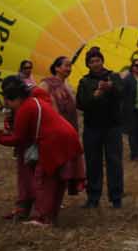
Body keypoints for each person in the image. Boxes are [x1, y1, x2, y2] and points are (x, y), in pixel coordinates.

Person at [0, 75, 83, 226]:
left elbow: (17, 139)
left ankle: (42, 218)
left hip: (53, 142)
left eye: (8, 102)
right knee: (56, 181)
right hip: (68, 137)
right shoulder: (36, 99)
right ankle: (50, 217)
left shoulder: (25, 109)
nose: (8, 106)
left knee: (44, 180)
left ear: (14, 98)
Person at [75, 47, 125, 208]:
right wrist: (94, 96)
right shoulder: (84, 81)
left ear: (102, 61)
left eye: (97, 60)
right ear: (87, 65)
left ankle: (116, 197)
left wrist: (111, 88)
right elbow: (81, 104)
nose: (95, 64)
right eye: (92, 62)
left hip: (112, 127)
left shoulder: (114, 76)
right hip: (92, 128)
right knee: (93, 163)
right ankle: (93, 197)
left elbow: (123, 94)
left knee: (114, 162)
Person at [38, 56, 86, 196]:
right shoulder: (46, 84)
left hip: (68, 130)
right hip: (53, 131)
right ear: (57, 68)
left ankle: (56, 197)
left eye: (70, 66)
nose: (69, 69)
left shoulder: (68, 86)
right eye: (66, 65)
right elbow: (39, 105)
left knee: (65, 165)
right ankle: (47, 198)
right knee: (55, 166)